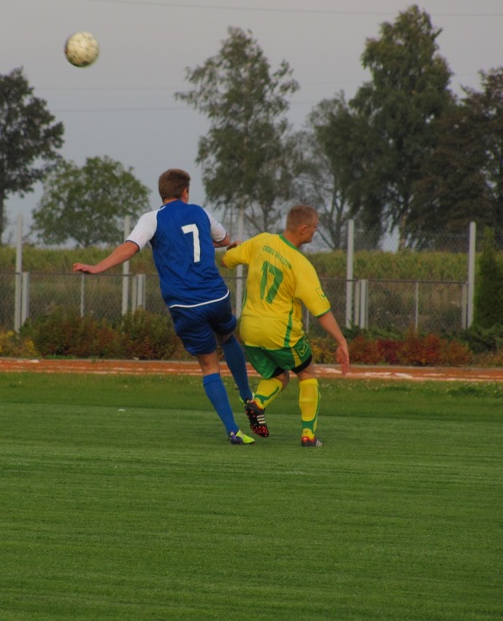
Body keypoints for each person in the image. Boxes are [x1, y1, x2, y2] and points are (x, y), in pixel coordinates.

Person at [73, 168, 256, 445]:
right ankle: (248, 396)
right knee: (228, 338)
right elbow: (222, 240)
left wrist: (98, 267)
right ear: (185, 192)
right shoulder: (201, 213)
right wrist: (232, 245)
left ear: (162, 193)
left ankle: (233, 430)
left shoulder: (152, 219)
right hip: (216, 296)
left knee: (209, 366)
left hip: (185, 303)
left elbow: (131, 247)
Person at [222, 204, 350, 447]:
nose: (315, 232)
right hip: (279, 332)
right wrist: (341, 342)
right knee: (307, 372)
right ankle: (308, 436)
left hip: (249, 329)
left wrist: (231, 250)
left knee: (279, 376)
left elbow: (227, 261)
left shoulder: (262, 241)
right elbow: (322, 312)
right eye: (315, 227)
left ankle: (257, 403)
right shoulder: (300, 265)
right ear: (303, 229)